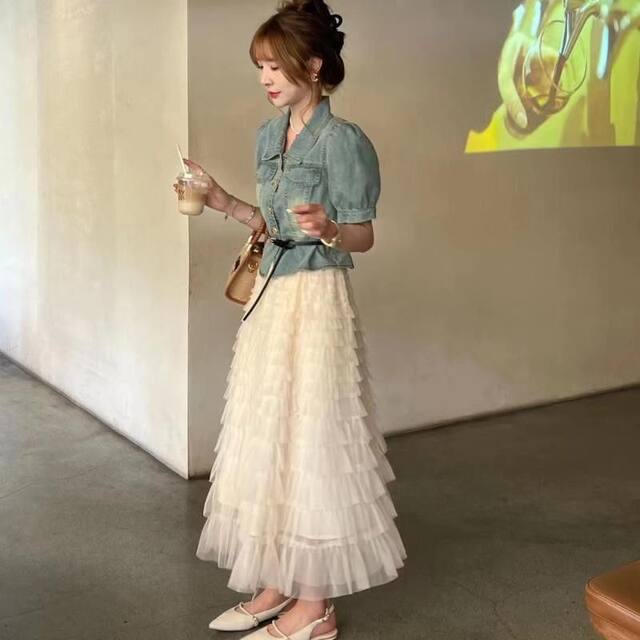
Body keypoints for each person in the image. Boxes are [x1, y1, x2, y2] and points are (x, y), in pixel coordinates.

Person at [177, 1, 407, 638]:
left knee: (312, 437)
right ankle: (277, 583)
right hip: (271, 297)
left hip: (316, 299)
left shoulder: (344, 141)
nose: (265, 78)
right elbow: (269, 223)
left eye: (275, 66)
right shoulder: (266, 136)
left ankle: (315, 606)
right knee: (268, 431)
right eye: (260, 66)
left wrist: (330, 228)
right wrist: (219, 199)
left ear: (313, 66)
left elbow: (362, 235)